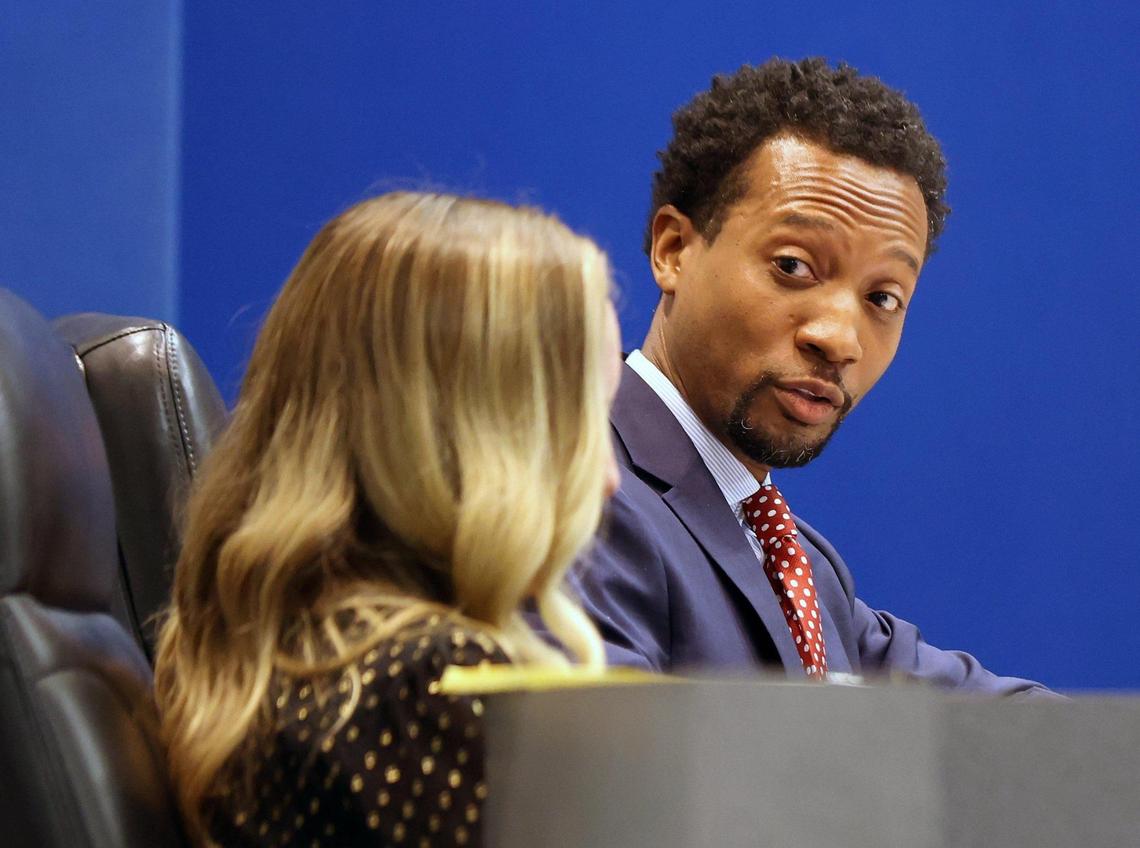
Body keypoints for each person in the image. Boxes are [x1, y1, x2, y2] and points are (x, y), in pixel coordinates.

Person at [571, 57, 1053, 696]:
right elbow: (619, 778)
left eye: (883, 298)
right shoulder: (572, 495)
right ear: (673, 250)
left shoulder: (801, 562)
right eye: (794, 266)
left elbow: (1013, 729)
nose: (840, 339)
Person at [154, 192, 623, 847]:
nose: (608, 477)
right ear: (474, 432)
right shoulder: (427, 689)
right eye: (584, 423)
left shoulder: (296, 653)